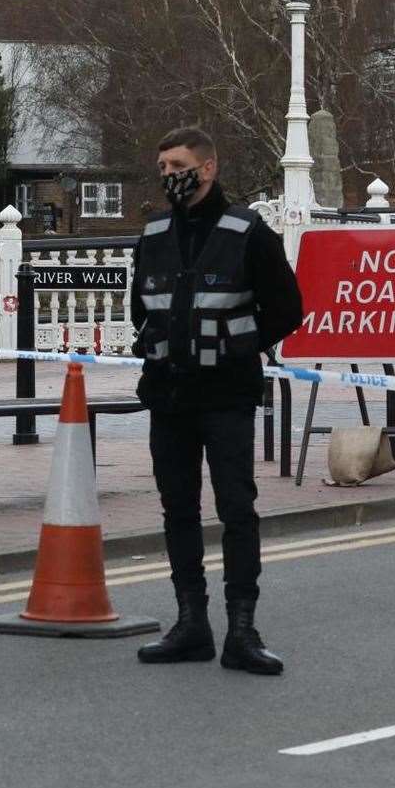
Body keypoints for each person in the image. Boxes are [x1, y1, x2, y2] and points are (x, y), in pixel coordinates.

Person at [132, 126, 303, 675]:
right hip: (168, 394)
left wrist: (236, 341)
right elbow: (142, 305)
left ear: (207, 169)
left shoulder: (249, 232)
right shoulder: (155, 231)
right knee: (177, 509)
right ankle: (190, 624)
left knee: (236, 510)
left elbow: (287, 309)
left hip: (227, 393)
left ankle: (243, 631)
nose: (168, 177)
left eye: (176, 165)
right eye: (162, 168)